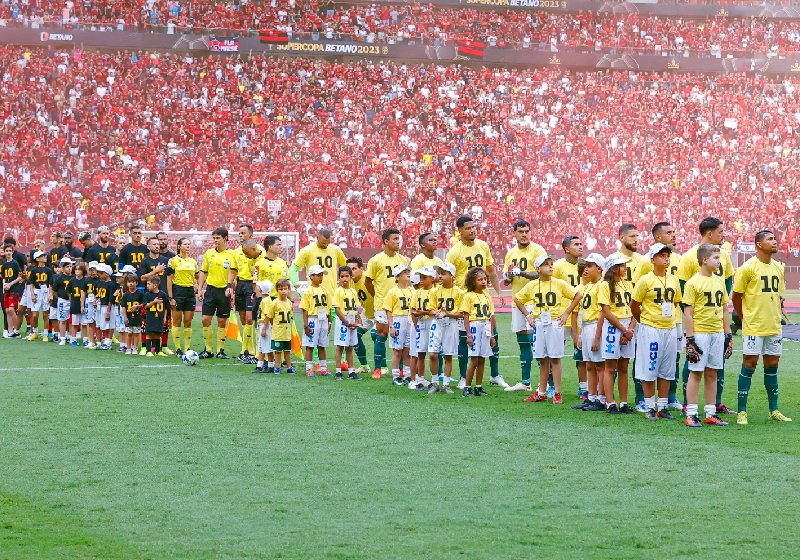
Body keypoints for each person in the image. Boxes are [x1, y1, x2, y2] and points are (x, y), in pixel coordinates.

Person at [676, 217, 736, 415]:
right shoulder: (688, 258)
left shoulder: (723, 257)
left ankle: (713, 407)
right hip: (700, 327)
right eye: (720, 231)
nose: (724, 235)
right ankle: (689, 407)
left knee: (714, 369)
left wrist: (727, 332)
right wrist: (690, 335)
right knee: (695, 368)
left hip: (717, 327)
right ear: (709, 234)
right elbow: (686, 298)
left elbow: (725, 290)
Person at [732, 230, 792, 425]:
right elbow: (736, 297)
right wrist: (744, 318)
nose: (775, 242)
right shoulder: (747, 267)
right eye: (770, 239)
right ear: (758, 244)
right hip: (754, 326)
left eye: (775, 238)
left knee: (772, 364)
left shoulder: (778, 267)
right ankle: (742, 412)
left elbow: (777, 294)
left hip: (773, 325)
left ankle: (773, 410)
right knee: (749, 364)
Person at [446, 216, 508, 389]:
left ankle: (495, 375)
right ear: (460, 231)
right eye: (468, 228)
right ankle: (463, 378)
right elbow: (448, 277)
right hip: (465, 300)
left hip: (485, 299)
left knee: (493, 335)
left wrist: (498, 291)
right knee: (466, 339)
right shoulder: (454, 252)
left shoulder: (483, 246)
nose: (472, 230)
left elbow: (491, 271)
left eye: (474, 227)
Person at [515, 254, 581, 404]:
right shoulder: (532, 285)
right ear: (538, 269)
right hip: (539, 323)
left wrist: (566, 313)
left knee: (555, 359)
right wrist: (528, 315)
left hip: (554, 323)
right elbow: (517, 299)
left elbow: (578, 295)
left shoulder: (559, 283)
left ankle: (557, 392)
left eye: (551, 263)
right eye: (546, 264)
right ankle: (542, 391)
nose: (550, 266)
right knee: (542, 359)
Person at [634, 221, 684, 412]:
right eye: (661, 256)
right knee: (649, 367)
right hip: (650, 329)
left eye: (667, 255)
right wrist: (646, 320)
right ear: (652, 259)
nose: (666, 259)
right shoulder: (645, 280)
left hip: (669, 328)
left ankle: (662, 406)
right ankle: (649, 406)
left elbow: (676, 302)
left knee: (667, 369)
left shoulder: (673, 280)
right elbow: (635, 305)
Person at [682, 244, 732, 427]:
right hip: (701, 332)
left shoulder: (719, 281)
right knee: (696, 373)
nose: (719, 261)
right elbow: (688, 312)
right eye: (716, 258)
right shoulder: (693, 282)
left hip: (717, 332)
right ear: (704, 259)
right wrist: (690, 339)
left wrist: (728, 334)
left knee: (712, 373)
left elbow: (725, 309)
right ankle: (692, 413)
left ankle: (710, 413)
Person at [503, 219, 545, 392]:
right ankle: (525, 382)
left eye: (527, 231)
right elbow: (506, 280)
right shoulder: (510, 253)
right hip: (518, 301)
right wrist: (510, 276)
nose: (524, 234)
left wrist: (523, 273)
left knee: (536, 342)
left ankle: (546, 383)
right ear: (514, 233)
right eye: (521, 231)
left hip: (534, 301)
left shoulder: (537, 250)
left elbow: (542, 272)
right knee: (523, 342)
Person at [365, 228, 410, 379]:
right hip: (382, 304)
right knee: (382, 334)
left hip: (401, 305)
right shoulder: (376, 260)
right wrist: (378, 296)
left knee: (402, 336)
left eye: (399, 238)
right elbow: (368, 282)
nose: (398, 242)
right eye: (395, 239)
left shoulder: (403, 260)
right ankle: (378, 368)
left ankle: (402, 369)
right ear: (386, 241)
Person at [598, 255, 636, 414]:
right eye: (622, 265)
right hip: (614, 327)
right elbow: (606, 311)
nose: (625, 267)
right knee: (610, 367)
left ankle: (624, 402)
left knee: (624, 366)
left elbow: (635, 308)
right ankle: (610, 402)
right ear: (614, 268)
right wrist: (624, 329)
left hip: (627, 326)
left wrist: (631, 329)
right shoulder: (605, 285)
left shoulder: (629, 285)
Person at [572, 254, 607, 411]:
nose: (586, 268)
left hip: (594, 326)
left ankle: (601, 399)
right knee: (589, 365)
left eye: (590, 266)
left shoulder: (601, 285)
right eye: (585, 265)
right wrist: (580, 334)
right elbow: (582, 312)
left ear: (599, 268)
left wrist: (597, 336)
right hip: (586, 327)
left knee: (600, 365)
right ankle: (591, 397)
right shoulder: (587, 286)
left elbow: (602, 312)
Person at [553, 235, 586, 398]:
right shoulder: (558, 266)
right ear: (566, 249)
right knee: (555, 353)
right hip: (562, 316)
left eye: (581, 244)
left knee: (581, 352)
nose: (581, 247)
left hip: (580, 316)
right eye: (576, 244)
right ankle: (552, 386)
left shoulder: (585, 265)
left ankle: (583, 387)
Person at [197, 228, 238, 359]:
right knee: (205, 319)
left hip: (224, 291)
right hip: (210, 290)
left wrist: (232, 290)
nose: (215, 240)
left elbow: (234, 273)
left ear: (225, 238)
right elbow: (203, 271)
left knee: (221, 321)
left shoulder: (232, 254)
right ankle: (208, 350)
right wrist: (199, 289)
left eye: (218, 238)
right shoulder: (209, 253)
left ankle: (220, 351)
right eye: (214, 238)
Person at [459, 267, 497, 397]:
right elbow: (466, 316)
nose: (483, 281)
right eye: (479, 279)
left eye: (485, 279)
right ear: (472, 281)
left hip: (485, 326)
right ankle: (467, 387)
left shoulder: (487, 296)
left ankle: (479, 387)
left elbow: (490, 316)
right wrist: (468, 334)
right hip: (475, 326)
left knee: (482, 359)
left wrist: (492, 336)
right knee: (474, 360)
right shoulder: (468, 296)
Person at [427, 262, 463, 394]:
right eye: (439, 273)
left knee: (448, 355)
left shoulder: (459, 292)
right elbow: (430, 309)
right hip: (437, 323)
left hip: (451, 324)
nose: (440, 276)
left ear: (452, 275)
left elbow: (461, 313)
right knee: (432, 354)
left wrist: (448, 313)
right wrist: (436, 312)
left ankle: (446, 384)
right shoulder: (435, 291)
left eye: (444, 273)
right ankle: (434, 382)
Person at [232, 226, 265, 365]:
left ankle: (253, 351)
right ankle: (245, 350)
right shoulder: (236, 252)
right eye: (239, 233)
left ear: (250, 235)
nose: (240, 235)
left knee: (251, 318)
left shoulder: (259, 252)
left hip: (252, 285)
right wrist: (231, 286)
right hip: (240, 285)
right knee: (244, 319)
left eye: (243, 233)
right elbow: (233, 270)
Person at [138, 236, 173, 355]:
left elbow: (169, 277)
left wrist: (170, 294)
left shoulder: (165, 259)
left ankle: (163, 347)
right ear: (148, 246)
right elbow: (142, 277)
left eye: (158, 244)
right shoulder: (145, 260)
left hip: (162, 294)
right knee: (146, 321)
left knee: (164, 322)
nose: (157, 246)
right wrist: (155, 271)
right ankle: (144, 347)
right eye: (154, 244)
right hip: (149, 296)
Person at [167, 238, 199, 356]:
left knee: (188, 321)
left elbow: (198, 276)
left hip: (190, 293)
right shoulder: (173, 261)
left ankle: (187, 348)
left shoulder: (193, 261)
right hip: (177, 291)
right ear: (179, 246)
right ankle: (178, 348)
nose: (187, 246)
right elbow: (169, 280)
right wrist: (171, 297)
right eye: (185, 244)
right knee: (176, 321)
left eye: (189, 244)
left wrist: (198, 286)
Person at [384, 264, 414, 385]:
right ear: (397, 277)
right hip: (398, 320)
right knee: (397, 350)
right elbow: (388, 310)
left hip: (409, 320)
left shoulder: (412, 291)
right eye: (403, 272)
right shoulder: (393, 291)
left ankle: (407, 375)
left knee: (407, 350)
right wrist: (391, 326)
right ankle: (396, 376)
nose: (407, 273)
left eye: (407, 271)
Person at [291, 228, 346, 294]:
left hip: (333, 296)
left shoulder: (336, 249)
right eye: (323, 243)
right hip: (314, 295)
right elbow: (292, 270)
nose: (325, 245)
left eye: (328, 243)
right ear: (317, 237)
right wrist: (298, 288)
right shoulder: (307, 250)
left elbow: (346, 267)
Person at [300, 265, 332, 377]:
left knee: (322, 345)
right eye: (318, 275)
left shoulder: (325, 290)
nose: (321, 277)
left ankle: (323, 368)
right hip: (313, 319)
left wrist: (330, 322)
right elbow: (304, 309)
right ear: (311, 276)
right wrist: (305, 325)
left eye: (321, 275)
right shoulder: (308, 291)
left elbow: (328, 307)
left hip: (323, 319)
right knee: (310, 345)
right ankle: (309, 368)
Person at [332, 266, 363, 381]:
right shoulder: (338, 291)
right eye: (342, 276)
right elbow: (337, 310)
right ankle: (338, 371)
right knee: (340, 347)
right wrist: (347, 322)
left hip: (352, 321)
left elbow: (357, 307)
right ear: (339, 278)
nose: (344, 279)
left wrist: (357, 319)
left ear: (351, 277)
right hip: (343, 321)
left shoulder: (353, 291)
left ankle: (351, 371)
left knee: (350, 347)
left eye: (347, 276)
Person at [410, 267, 437, 390]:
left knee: (433, 353)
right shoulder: (417, 293)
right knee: (420, 352)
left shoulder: (435, 292)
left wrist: (421, 312)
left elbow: (435, 310)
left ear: (432, 278)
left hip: (432, 322)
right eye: (420, 277)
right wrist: (415, 323)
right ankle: (420, 379)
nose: (421, 279)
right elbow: (413, 309)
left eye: (424, 277)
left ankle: (434, 379)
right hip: (421, 323)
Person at [347, 257, 374, 375]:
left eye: (354, 268)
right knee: (355, 335)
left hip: (380, 312)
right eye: (349, 269)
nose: (351, 272)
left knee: (379, 337)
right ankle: (364, 366)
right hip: (367, 313)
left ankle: (383, 367)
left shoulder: (368, 278)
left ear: (361, 269)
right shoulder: (349, 282)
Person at [268, 279, 296, 375]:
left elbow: (291, 316)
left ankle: (289, 367)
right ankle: (277, 367)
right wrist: (275, 326)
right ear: (277, 290)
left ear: (289, 290)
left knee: (287, 351)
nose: (283, 291)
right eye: (281, 289)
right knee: (278, 352)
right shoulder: (274, 303)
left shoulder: (289, 302)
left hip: (287, 333)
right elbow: (270, 317)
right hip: (278, 333)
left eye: (285, 289)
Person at [24, 251, 52, 341]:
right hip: (37, 291)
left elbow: (51, 284)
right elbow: (31, 283)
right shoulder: (33, 270)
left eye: (44, 255)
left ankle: (45, 334)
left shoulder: (49, 270)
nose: (44, 257)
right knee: (35, 314)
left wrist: (50, 294)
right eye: (42, 256)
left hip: (46, 291)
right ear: (37, 259)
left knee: (45, 314)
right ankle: (35, 332)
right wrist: (32, 294)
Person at [50, 256, 74, 346]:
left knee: (72, 320)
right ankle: (62, 337)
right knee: (62, 320)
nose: (69, 268)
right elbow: (54, 289)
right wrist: (60, 297)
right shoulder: (59, 278)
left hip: (72, 301)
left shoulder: (73, 277)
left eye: (71, 266)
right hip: (62, 301)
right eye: (67, 266)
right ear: (63, 268)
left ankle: (72, 337)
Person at [142, 277, 169, 357]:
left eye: (149, 284)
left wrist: (164, 317)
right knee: (149, 333)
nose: (147, 286)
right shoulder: (147, 294)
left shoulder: (163, 294)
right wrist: (154, 302)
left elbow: (166, 307)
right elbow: (145, 306)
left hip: (159, 317)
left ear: (155, 285)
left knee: (158, 333)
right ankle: (148, 351)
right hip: (150, 317)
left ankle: (158, 351)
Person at [253, 280, 275, 374]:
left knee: (268, 348)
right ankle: (259, 365)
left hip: (265, 325)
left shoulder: (266, 301)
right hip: (262, 324)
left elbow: (267, 315)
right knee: (262, 347)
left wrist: (265, 328)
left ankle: (270, 366)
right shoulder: (265, 300)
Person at [1, 244, 23, 338]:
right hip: (7, 289)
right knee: (7, 311)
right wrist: (4, 285)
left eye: (10, 251)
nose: (9, 252)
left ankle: (16, 330)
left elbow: (20, 277)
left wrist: (10, 284)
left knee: (11, 309)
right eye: (7, 251)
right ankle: (10, 331)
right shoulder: (4, 264)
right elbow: (4, 277)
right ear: (4, 252)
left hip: (15, 288)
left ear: (12, 252)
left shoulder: (15, 263)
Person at [93, 264, 114, 350]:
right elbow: (96, 295)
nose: (99, 274)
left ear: (107, 274)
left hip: (106, 306)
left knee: (108, 325)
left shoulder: (111, 284)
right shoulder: (98, 283)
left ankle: (107, 343)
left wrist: (108, 311)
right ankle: (99, 342)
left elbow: (110, 299)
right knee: (98, 325)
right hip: (99, 306)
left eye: (101, 273)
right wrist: (95, 301)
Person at [121, 274, 144, 355]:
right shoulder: (125, 295)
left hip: (137, 316)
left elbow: (144, 304)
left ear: (136, 283)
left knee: (136, 333)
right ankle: (128, 347)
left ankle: (135, 347)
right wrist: (125, 317)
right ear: (126, 283)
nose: (131, 284)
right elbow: (123, 306)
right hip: (129, 316)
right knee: (129, 333)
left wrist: (137, 306)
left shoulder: (140, 294)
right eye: (129, 282)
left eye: (133, 282)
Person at [67, 262, 87, 347]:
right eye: (76, 269)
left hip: (84, 304)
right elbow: (68, 291)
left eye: (79, 269)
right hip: (75, 303)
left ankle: (85, 339)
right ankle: (73, 339)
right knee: (74, 323)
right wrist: (71, 300)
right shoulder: (72, 280)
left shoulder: (85, 281)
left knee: (84, 323)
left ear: (83, 270)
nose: (77, 271)